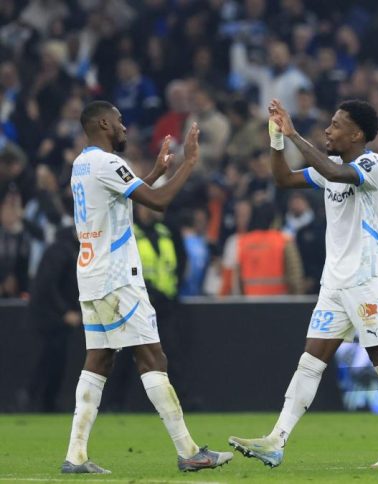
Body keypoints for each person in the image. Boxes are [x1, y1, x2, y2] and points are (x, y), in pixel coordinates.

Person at [227, 99, 378, 469]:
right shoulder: (331, 168)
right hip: (335, 284)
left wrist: (295, 133)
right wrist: (278, 140)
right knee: (310, 362)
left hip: (367, 280)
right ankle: (276, 440)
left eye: (336, 124)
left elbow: (337, 174)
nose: (328, 130)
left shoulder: (372, 164)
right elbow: (283, 179)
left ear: (357, 134)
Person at [62, 100, 232, 474]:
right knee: (152, 358)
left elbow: (125, 196)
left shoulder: (81, 164)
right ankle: (189, 451)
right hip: (119, 276)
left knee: (99, 360)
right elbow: (156, 203)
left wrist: (156, 170)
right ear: (104, 123)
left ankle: (75, 454)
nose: (125, 127)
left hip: (90, 274)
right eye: (120, 121)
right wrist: (189, 163)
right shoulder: (110, 163)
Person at [27, 224, 79, 412]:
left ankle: (46, 404)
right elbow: (46, 285)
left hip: (57, 320)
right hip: (49, 319)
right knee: (48, 362)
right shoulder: (61, 250)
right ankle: (37, 403)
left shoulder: (69, 248)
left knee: (56, 362)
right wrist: (64, 311)